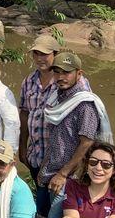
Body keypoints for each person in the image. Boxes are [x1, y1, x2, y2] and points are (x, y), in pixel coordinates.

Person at [38, 52, 112, 218]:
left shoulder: (85, 104)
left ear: (79, 74)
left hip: (69, 179)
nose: (61, 77)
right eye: (57, 72)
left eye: (66, 72)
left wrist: (63, 174)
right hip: (49, 172)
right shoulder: (56, 98)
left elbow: (87, 144)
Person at [19, 34, 89, 182]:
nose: (39, 59)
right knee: (42, 200)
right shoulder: (29, 81)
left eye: (44, 54)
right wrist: (22, 147)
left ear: (56, 54)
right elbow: (25, 113)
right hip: (36, 155)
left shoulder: (74, 82)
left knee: (61, 202)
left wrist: (71, 168)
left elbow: (85, 120)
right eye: (36, 54)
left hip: (62, 161)